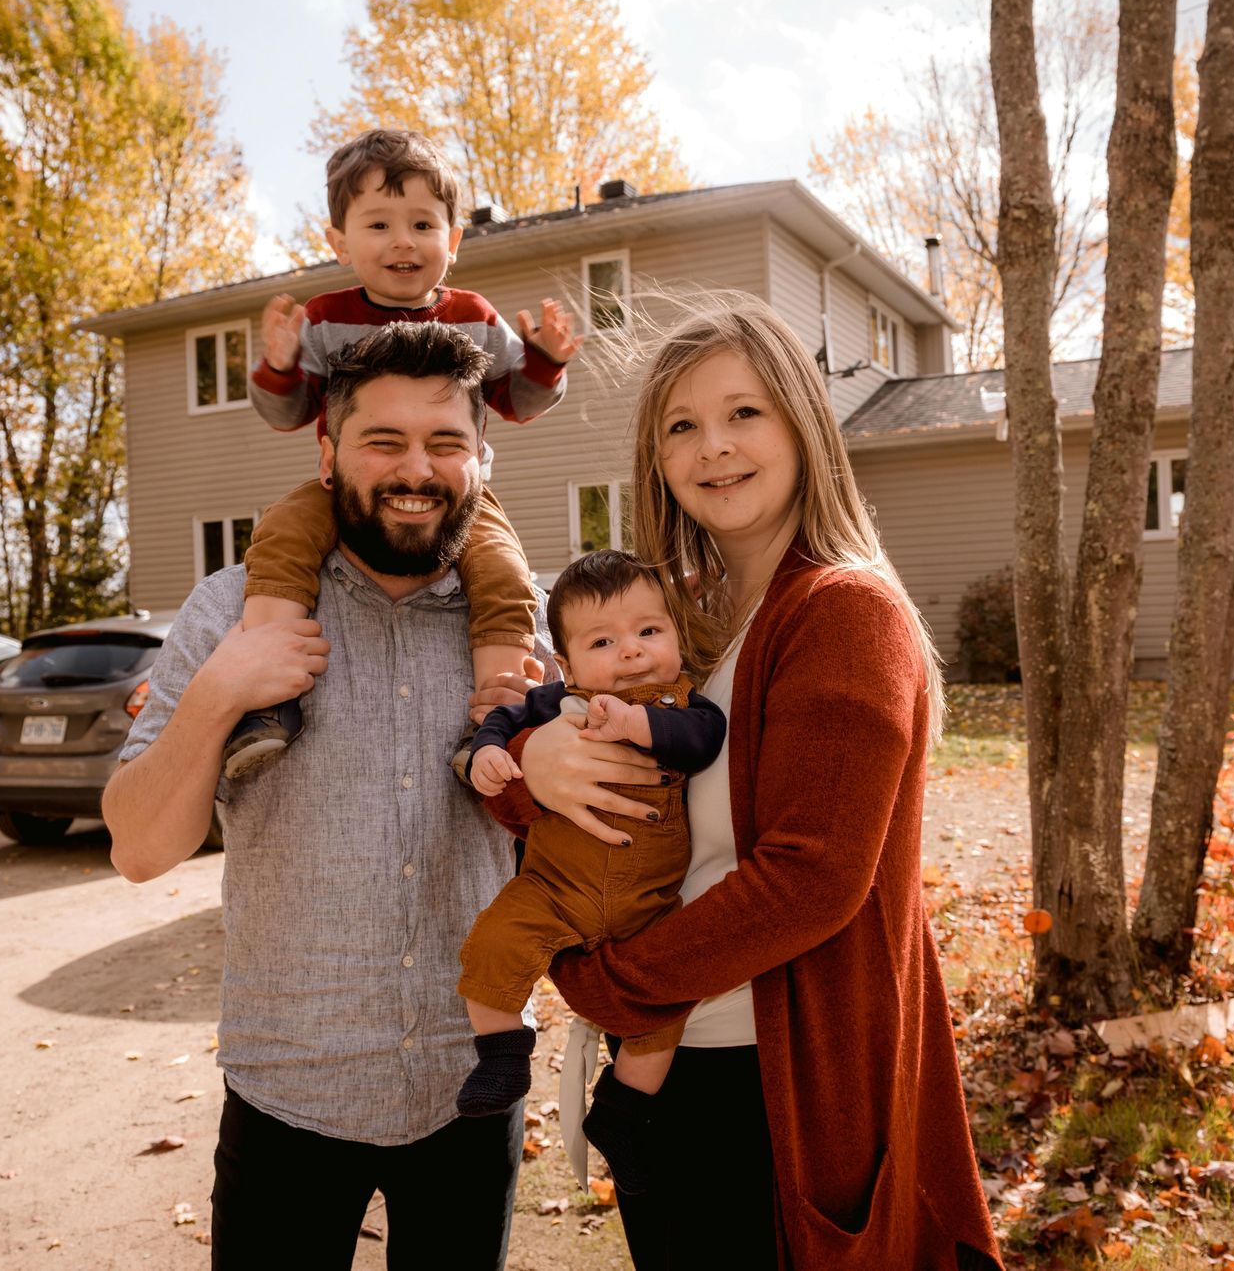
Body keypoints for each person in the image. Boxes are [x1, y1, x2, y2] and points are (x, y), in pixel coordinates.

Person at [483, 297, 1004, 1269]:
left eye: (744, 414)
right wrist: (533, 766)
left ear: (802, 423)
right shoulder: (674, 631)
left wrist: (603, 984)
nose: (713, 447)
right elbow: (561, 782)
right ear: (657, 456)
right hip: (676, 1082)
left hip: (768, 1088)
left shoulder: (842, 611)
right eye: (683, 425)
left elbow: (811, 877)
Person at [102, 321, 553, 1269]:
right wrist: (223, 689)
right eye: (382, 441)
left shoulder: (525, 635)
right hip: (287, 1091)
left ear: (483, 457)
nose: (415, 470)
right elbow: (139, 850)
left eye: (444, 444)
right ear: (326, 451)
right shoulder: (232, 609)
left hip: (470, 1086)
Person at [226, 127, 576, 777]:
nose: (403, 241)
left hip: (459, 502)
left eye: (422, 223)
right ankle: (267, 701)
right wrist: (279, 366)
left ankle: (496, 721)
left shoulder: (474, 315)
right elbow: (291, 412)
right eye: (379, 224)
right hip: (345, 492)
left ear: (455, 238)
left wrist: (548, 362)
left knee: (503, 573)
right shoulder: (327, 319)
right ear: (338, 241)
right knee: (281, 537)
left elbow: (514, 402)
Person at [456, 549, 725, 1197]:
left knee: (665, 1011)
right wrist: (488, 751)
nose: (631, 651)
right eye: (604, 641)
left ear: (676, 636)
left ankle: (623, 1112)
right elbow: (503, 717)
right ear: (569, 665)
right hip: (555, 890)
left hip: (649, 906)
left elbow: (703, 740)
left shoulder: (685, 703)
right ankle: (502, 1054)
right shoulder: (557, 703)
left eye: (648, 632)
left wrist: (639, 722)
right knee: (491, 943)